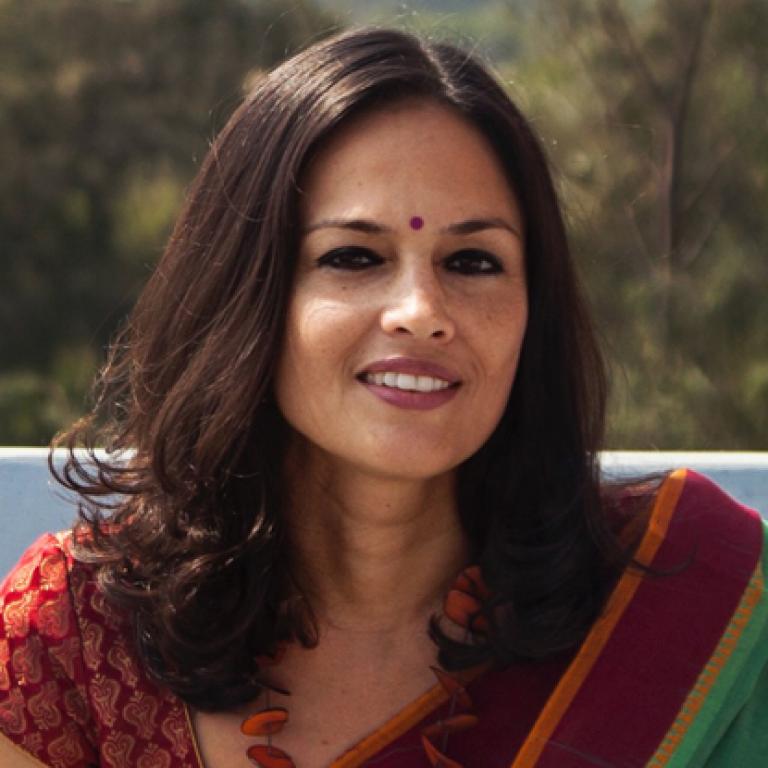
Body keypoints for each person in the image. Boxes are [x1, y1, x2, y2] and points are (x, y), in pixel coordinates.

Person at [1, 27, 766, 768]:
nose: (421, 311)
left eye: (473, 261)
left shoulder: (686, 601)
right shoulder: (81, 637)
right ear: (245, 294)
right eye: (354, 256)